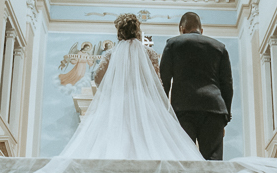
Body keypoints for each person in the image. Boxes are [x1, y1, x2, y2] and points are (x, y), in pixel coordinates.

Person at [57, 13, 201, 160]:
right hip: (145, 103)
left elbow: (98, 78)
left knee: (115, 140)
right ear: (137, 30)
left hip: (118, 102)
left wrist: (112, 90)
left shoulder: (111, 53)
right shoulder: (149, 53)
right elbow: (157, 83)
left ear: (119, 32)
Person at [160, 12, 234, 161]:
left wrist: (164, 113)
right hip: (214, 109)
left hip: (183, 110)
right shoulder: (219, 48)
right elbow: (227, 85)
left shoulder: (172, 45)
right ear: (202, 30)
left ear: (181, 29)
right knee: (213, 162)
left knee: (184, 159)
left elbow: (164, 82)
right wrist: (225, 116)